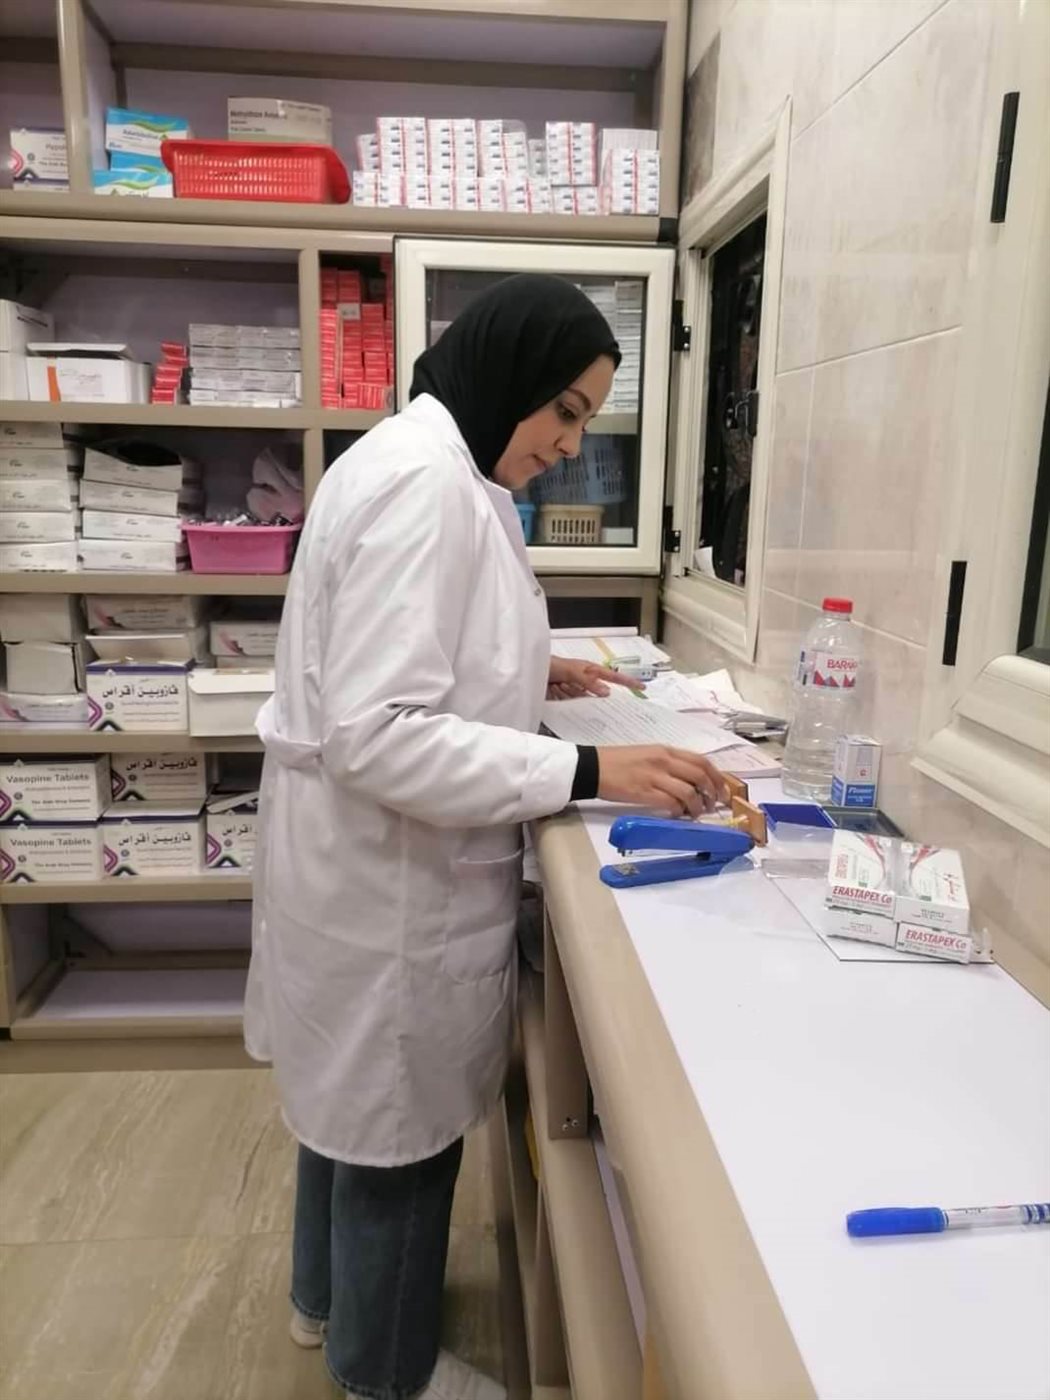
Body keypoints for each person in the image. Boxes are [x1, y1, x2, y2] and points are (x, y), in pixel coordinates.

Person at [245, 273, 727, 1400]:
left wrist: (526, 669)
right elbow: (378, 733)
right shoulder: (429, 488)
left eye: (584, 419)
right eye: (563, 408)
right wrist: (591, 768)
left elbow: (403, 652)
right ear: (511, 372)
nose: (569, 442)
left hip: (350, 870)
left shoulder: (426, 461)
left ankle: (324, 1303)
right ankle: (386, 1372)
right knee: (398, 1134)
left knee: (344, 1109)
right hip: (387, 880)